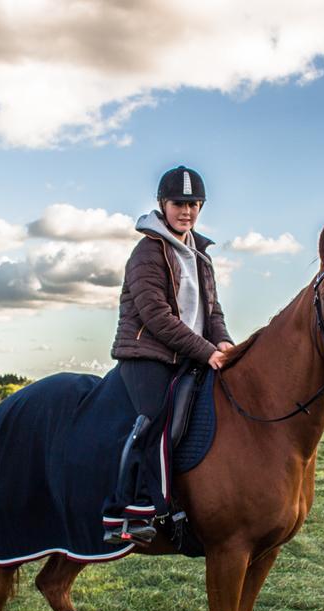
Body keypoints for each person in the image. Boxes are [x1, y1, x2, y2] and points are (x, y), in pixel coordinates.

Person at [103, 165, 233, 546]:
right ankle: (129, 508)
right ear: (162, 204)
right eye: (179, 203)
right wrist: (206, 351)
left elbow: (213, 312)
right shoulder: (147, 251)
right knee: (155, 419)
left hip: (190, 355)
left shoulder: (200, 254)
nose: (187, 211)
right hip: (147, 355)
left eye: (194, 204)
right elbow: (156, 317)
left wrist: (223, 342)